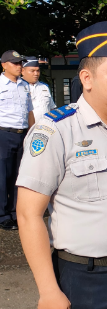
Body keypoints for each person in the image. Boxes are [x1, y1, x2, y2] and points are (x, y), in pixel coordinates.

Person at [16, 21, 107, 309]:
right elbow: (27, 214)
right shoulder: (56, 131)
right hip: (87, 281)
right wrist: (48, 291)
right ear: (87, 78)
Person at [0, 50, 34, 231]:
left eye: (20, 63)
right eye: (15, 63)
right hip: (3, 133)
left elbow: (29, 112)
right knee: (2, 176)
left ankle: (14, 212)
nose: (20, 66)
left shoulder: (24, 85)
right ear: (4, 65)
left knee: (18, 176)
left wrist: (33, 131)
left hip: (22, 134)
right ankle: (2, 215)